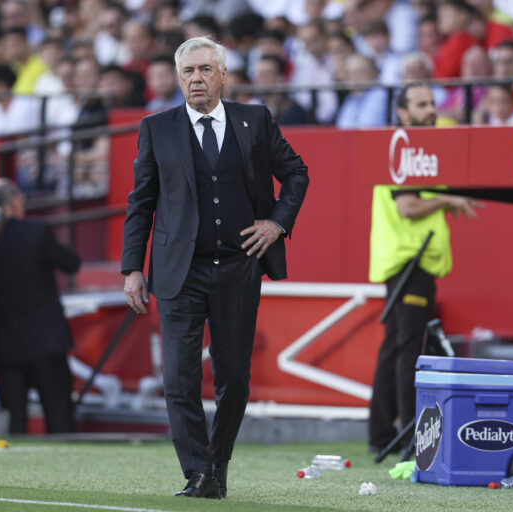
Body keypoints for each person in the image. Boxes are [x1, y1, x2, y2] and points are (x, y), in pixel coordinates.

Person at [121, 36, 309, 499]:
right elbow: (140, 203)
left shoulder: (255, 120)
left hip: (237, 268)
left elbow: (297, 172)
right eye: (188, 72)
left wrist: (277, 224)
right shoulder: (156, 127)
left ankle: (215, 464)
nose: (196, 79)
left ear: (223, 75)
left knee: (235, 378)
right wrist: (132, 268)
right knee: (179, 378)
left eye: (205, 69)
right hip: (177, 271)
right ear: (179, 78)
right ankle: (197, 472)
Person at [368, 82, 481, 454]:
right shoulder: (408, 150)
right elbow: (409, 208)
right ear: (402, 113)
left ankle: (382, 434)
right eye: (421, 104)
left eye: (432, 102)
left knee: (394, 347)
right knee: (408, 350)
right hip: (410, 262)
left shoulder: (409, 151)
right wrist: (448, 199)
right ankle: (411, 438)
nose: (431, 109)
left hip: (402, 261)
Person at [0, 178, 80, 434]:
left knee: (15, 421)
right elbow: (71, 263)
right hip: (44, 340)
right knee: (58, 418)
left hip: (4, 344)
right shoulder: (36, 232)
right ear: (14, 201)